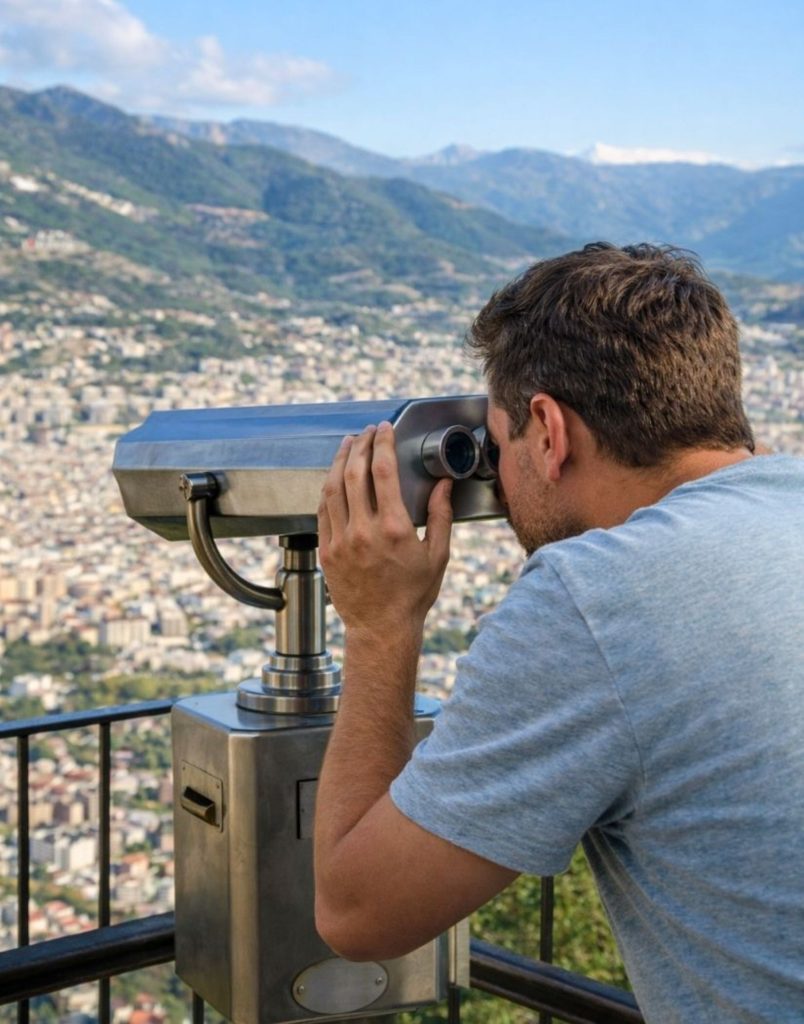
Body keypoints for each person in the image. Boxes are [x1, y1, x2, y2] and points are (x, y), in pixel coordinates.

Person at [313, 242, 804, 1023]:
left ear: (547, 429)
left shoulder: (603, 593)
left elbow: (359, 914)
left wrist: (379, 626)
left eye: (498, 445)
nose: (498, 487)